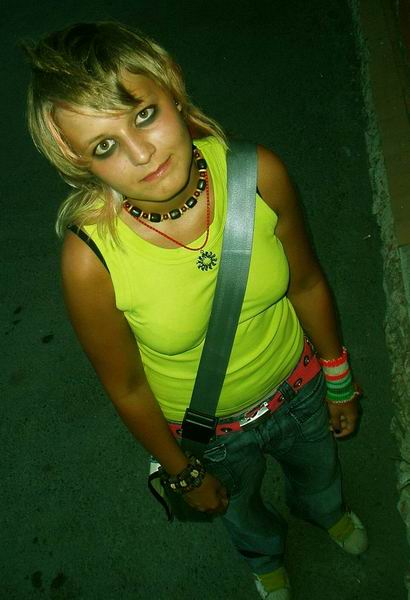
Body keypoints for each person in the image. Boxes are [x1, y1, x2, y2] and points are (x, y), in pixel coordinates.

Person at [23, 21, 367, 600]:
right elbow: (127, 386)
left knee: (320, 473)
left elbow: (307, 282)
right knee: (240, 510)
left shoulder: (258, 174)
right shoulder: (90, 261)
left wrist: (339, 379)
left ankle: (325, 512)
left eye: (143, 114)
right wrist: (183, 472)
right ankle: (264, 557)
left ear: (172, 89)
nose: (142, 153)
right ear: (79, 162)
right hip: (211, 432)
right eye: (104, 146)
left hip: (300, 386)